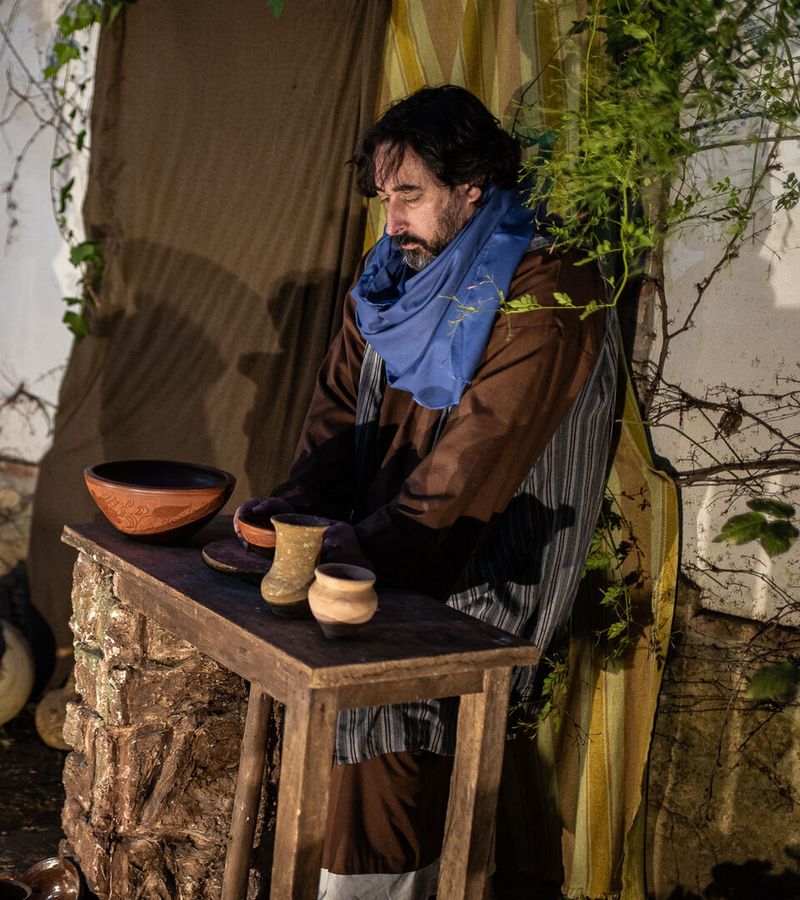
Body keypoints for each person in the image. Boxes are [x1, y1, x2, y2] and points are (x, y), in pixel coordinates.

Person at [234, 85, 618, 899]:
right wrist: (297, 506)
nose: (391, 219)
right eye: (383, 197)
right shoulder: (386, 282)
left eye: (409, 195)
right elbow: (337, 417)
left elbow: (475, 463)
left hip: (479, 564)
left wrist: (355, 549)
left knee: (383, 727)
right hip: (379, 542)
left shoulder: (545, 290)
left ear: (472, 188)